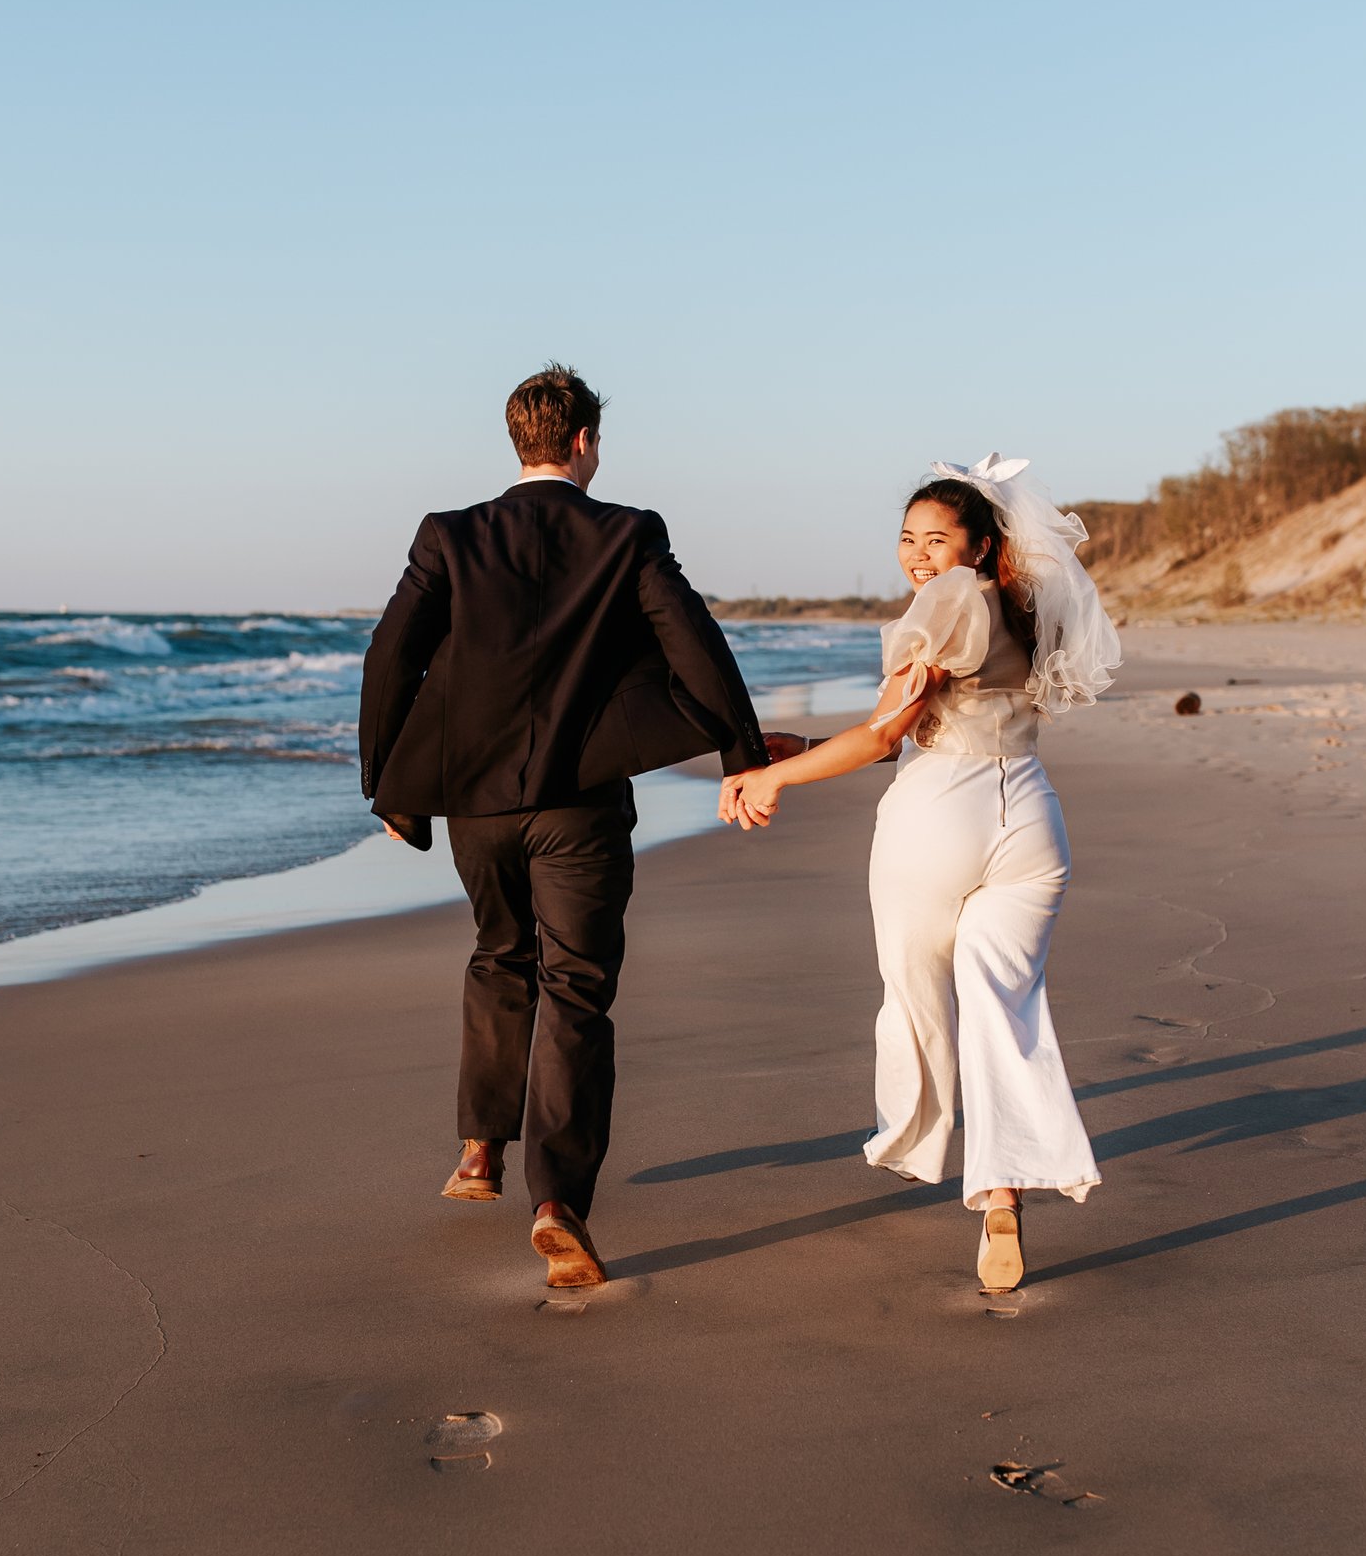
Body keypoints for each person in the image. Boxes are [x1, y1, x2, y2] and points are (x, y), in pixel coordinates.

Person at [360, 364, 784, 1288]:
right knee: (577, 989)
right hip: (578, 806)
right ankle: (558, 1203)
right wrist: (740, 750)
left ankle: (478, 1149)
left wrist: (390, 787)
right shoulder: (629, 532)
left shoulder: (450, 534)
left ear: (518, 441)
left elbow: (392, 654)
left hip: (474, 806)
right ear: (585, 441)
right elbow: (694, 642)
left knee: (498, 953)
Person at [719, 454, 1121, 1291]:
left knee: (916, 993)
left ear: (979, 543)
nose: (917, 556)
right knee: (1000, 1002)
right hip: (1031, 821)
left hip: (936, 817)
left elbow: (880, 738)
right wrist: (801, 747)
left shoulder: (946, 600)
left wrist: (771, 778)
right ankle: (1002, 1190)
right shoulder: (1022, 604)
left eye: (936, 539)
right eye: (907, 538)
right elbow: (915, 722)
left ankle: (919, 1138)